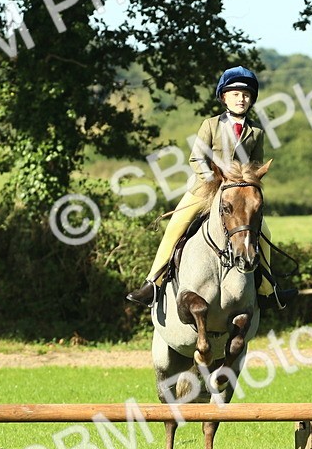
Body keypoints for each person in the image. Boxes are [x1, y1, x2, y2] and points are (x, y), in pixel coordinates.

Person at [126, 66, 298, 309]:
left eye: (246, 95)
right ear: (224, 97)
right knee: (175, 225)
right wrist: (213, 180)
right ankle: (153, 283)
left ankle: (268, 291)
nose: (241, 99)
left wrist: (247, 184)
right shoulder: (210, 125)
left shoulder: (257, 132)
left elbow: (255, 166)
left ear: (251, 100)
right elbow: (196, 158)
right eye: (235, 94)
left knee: (265, 234)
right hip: (205, 189)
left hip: (237, 194)